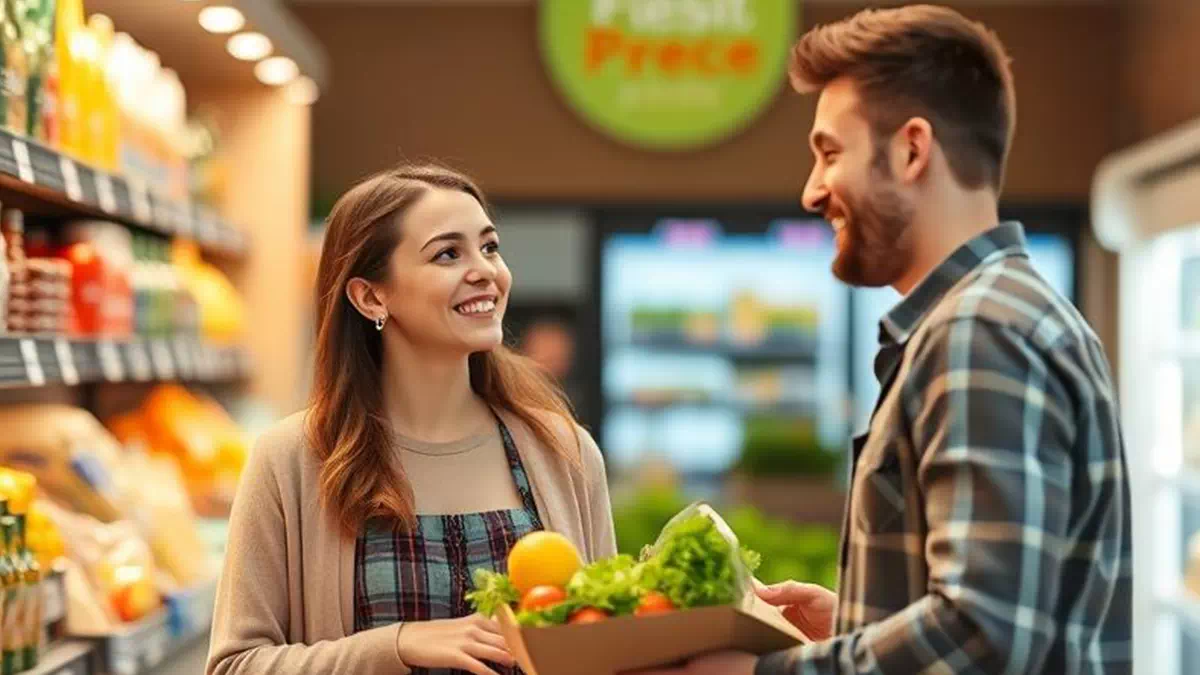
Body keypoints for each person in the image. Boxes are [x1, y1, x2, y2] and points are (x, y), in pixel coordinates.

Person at [632, 5, 1132, 675]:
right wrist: (853, 621)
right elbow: (1016, 609)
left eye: (830, 153)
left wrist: (760, 672)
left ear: (911, 149)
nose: (812, 191)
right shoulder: (1012, 314)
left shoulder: (979, 331)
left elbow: (983, 633)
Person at [207, 163, 617, 675]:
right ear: (371, 296)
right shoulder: (291, 459)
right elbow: (235, 665)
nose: (485, 270)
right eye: (449, 254)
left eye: (489, 247)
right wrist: (395, 646)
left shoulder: (563, 451)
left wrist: (705, 616)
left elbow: (609, 646)